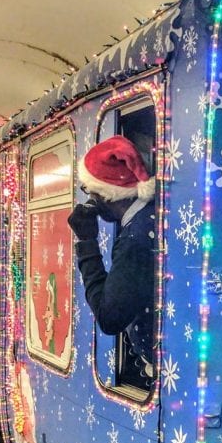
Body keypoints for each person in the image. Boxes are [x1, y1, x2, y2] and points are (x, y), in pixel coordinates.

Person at [67, 135, 157, 385]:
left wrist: (86, 243)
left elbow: (109, 317)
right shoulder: (152, 218)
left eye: (91, 191)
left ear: (106, 196)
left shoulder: (135, 238)